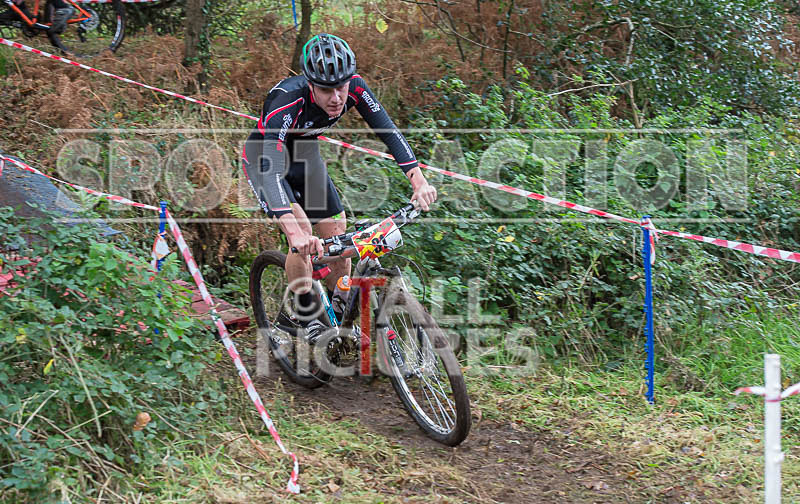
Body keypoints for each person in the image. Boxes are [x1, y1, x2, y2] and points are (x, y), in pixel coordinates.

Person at [242, 33, 437, 340]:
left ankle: (339, 310)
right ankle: (304, 312)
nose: (336, 98)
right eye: (325, 89)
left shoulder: (356, 88)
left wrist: (419, 180)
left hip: (304, 155)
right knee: (303, 234)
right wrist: (294, 232)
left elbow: (388, 131)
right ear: (310, 85)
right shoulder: (285, 102)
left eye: (341, 87)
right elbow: (271, 170)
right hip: (265, 161)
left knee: (337, 236)